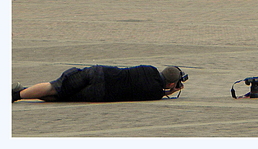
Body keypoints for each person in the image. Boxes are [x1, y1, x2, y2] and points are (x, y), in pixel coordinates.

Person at [12, 64, 187, 103]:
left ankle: (20, 93)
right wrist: (167, 93)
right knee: (59, 96)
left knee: (57, 86)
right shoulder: (155, 93)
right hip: (101, 92)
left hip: (101, 72)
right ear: (172, 84)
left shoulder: (150, 69)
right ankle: (21, 94)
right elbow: (153, 92)